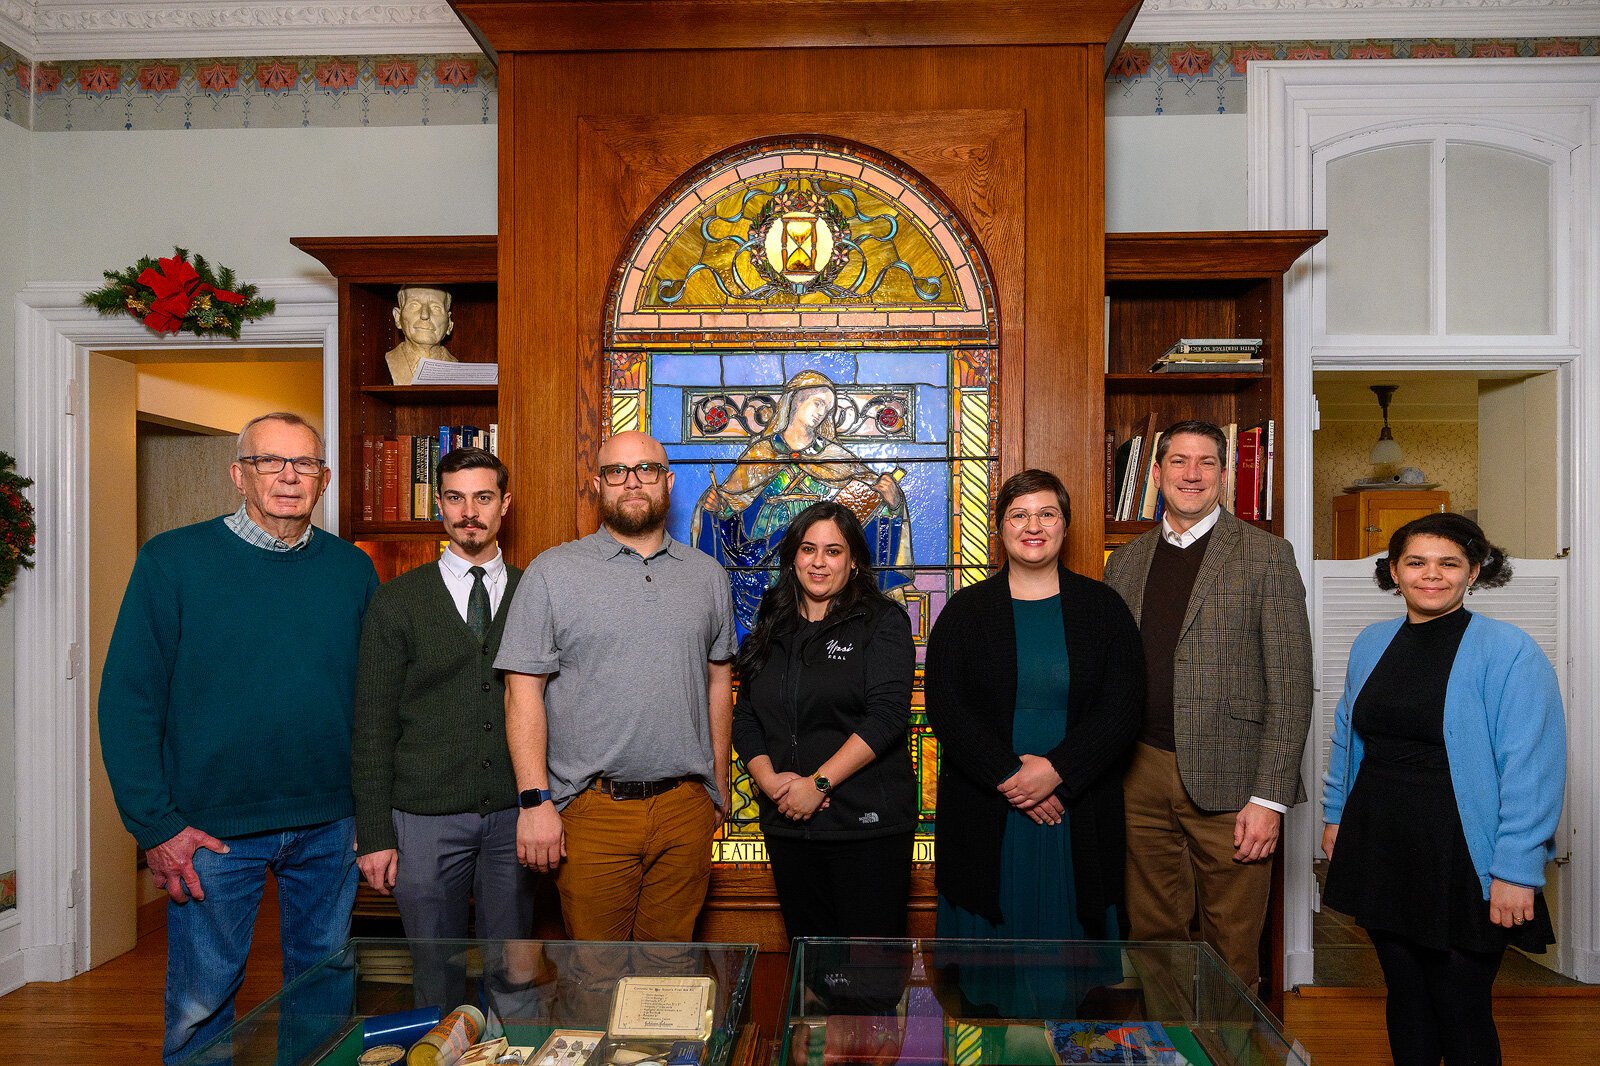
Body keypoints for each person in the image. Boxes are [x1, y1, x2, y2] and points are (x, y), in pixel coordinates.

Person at [98, 411, 378, 1065]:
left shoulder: (351, 571)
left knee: (324, 989)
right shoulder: (173, 563)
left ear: (324, 478)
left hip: (331, 822)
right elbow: (127, 703)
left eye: (304, 463)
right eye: (268, 462)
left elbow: (375, 701)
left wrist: (373, 807)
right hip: (211, 832)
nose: (288, 475)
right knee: (202, 1001)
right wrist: (156, 826)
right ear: (238, 475)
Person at [1322, 513, 1564, 1066]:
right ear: (1394, 571)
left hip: (1466, 852)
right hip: (1382, 839)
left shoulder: (1510, 651)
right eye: (1416, 562)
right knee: (1405, 993)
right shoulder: (1371, 643)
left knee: (1460, 1001)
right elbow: (1346, 736)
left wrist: (1517, 869)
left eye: (1449, 563)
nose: (1432, 575)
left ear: (1474, 572)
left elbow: (1532, 767)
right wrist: (1337, 816)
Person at [496, 430, 736, 941]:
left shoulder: (707, 576)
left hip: (684, 810)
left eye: (646, 469)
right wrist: (534, 801)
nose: (632, 482)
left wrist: (717, 785)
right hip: (590, 812)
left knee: (670, 977)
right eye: (616, 472)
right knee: (594, 975)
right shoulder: (552, 573)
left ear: (667, 481)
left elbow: (719, 683)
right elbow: (522, 693)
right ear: (597, 485)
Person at [1103, 419, 1312, 993]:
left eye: (1206, 463)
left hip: (1236, 782)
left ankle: (1232, 1053)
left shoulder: (1266, 555)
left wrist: (1269, 796)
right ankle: (1170, 1052)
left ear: (1225, 473)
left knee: (1232, 944)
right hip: (1139, 773)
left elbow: (1291, 682)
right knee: (1152, 936)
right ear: (1157, 472)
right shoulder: (1125, 561)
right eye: (1178, 462)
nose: (1191, 475)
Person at [926, 469, 1144, 1005]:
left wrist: (1056, 772)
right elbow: (946, 708)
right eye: (1019, 515)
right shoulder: (964, 611)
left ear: (1065, 527)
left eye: (1047, 514)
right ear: (999, 529)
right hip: (990, 801)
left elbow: (1124, 705)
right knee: (988, 987)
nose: (1034, 526)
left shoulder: (1104, 608)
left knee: (1069, 979)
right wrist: (1010, 776)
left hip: (1076, 802)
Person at [352, 446, 529, 1007]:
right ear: (439, 505)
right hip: (423, 819)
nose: (469, 511)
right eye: (455, 498)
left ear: (505, 504)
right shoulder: (397, 601)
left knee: (516, 967)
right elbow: (372, 724)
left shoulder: (536, 593)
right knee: (435, 968)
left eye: (482, 497)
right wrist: (377, 834)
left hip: (514, 814)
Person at [731, 500, 916, 941]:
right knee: (811, 976)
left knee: (868, 981)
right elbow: (745, 716)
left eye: (833, 551)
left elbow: (887, 717)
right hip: (788, 824)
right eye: (808, 549)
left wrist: (817, 784)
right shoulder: (771, 624)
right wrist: (771, 783)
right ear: (792, 556)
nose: (818, 562)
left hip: (865, 828)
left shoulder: (882, 622)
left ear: (853, 562)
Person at [693, 369, 912, 636]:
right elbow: (732, 500)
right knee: (776, 616)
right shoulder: (762, 452)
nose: (822, 413)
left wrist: (893, 502)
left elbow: (867, 499)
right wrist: (717, 505)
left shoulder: (834, 455)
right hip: (770, 541)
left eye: (828, 408)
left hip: (819, 540)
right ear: (796, 400)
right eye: (818, 403)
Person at [385, 285, 458, 385]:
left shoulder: (456, 368)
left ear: (449, 323)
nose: (425, 315)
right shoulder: (389, 361)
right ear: (398, 318)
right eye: (414, 305)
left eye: (436, 308)